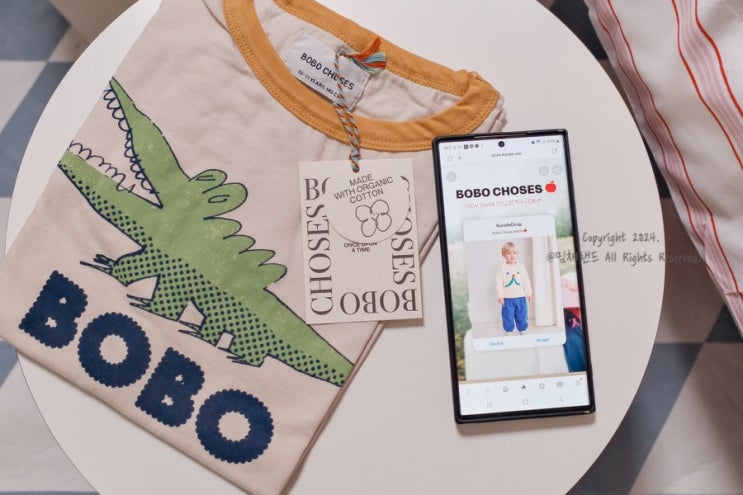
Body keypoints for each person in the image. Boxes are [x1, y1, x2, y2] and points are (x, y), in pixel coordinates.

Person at [495, 242, 533, 335]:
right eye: (509, 253)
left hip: (520, 297)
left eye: (514, 253)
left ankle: (522, 329)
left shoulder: (521, 267)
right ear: (504, 255)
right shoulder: (502, 268)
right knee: (507, 315)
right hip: (507, 298)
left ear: (517, 254)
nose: (512, 255)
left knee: (522, 314)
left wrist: (528, 292)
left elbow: (526, 280)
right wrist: (500, 296)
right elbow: (499, 283)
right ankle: (509, 330)